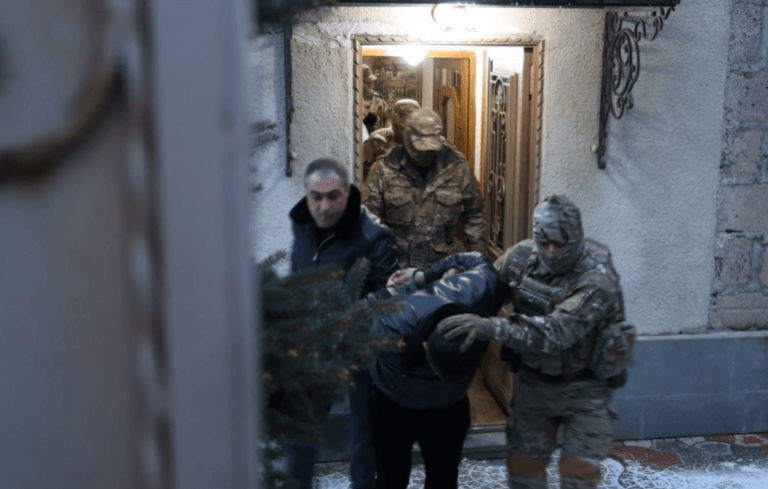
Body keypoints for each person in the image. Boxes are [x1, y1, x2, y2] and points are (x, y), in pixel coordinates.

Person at [436, 195, 627, 489]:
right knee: (523, 475)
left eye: (559, 244)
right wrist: (450, 286)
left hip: (586, 389)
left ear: (577, 238)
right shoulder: (521, 257)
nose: (550, 251)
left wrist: (488, 326)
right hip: (535, 384)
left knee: (578, 480)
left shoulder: (597, 276)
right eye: (543, 242)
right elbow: (486, 288)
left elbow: (557, 332)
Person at [288, 158, 399, 489]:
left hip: (360, 349)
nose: (323, 207)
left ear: (347, 192)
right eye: (316, 198)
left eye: (333, 196)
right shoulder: (301, 223)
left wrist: (343, 319)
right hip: (312, 346)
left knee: (364, 431)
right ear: (307, 194)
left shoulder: (374, 237)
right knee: (301, 429)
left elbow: (388, 300)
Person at [368, 252, 505, 489]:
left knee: (396, 479)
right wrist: (422, 278)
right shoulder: (485, 290)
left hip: (398, 401)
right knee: (436, 477)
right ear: (424, 345)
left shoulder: (385, 323)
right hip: (422, 405)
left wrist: (394, 291)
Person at [362, 107, 486, 271]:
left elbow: (474, 216)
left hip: (445, 267)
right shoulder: (383, 169)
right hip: (397, 267)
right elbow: (368, 220)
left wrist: (481, 264)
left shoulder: (457, 168)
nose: (425, 153)